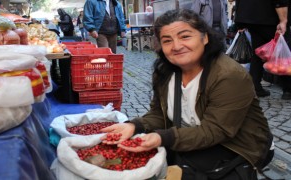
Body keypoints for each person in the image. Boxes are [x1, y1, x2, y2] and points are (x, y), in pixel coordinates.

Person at [101, 9, 273, 179]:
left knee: (183, 170)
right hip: (190, 135)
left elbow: (216, 130)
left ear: (204, 37)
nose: (176, 46)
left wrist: (163, 137)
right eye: (167, 40)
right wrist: (134, 126)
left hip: (237, 144)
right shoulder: (164, 71)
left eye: (185, 37)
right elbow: (158, 114)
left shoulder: (228, 75)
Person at [235, 0, 291, 99]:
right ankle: (287, 89)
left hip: (252, 18)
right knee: (282, 55)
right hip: (271, 18)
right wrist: (283, 20)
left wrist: (239, 22)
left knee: (257, 53)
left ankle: (255, 87)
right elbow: (280, 1)